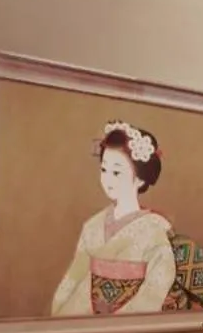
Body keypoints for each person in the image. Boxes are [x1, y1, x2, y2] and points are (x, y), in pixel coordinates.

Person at [50, 120, 177, 315]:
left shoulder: (154, 230)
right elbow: (74, 277)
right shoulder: (93, 226)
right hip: (85, 312)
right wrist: (59, 312)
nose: (107, 179)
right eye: (104, 169)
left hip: (130, 321)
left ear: (140, 178)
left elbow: (154, 290)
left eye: (117, 172)